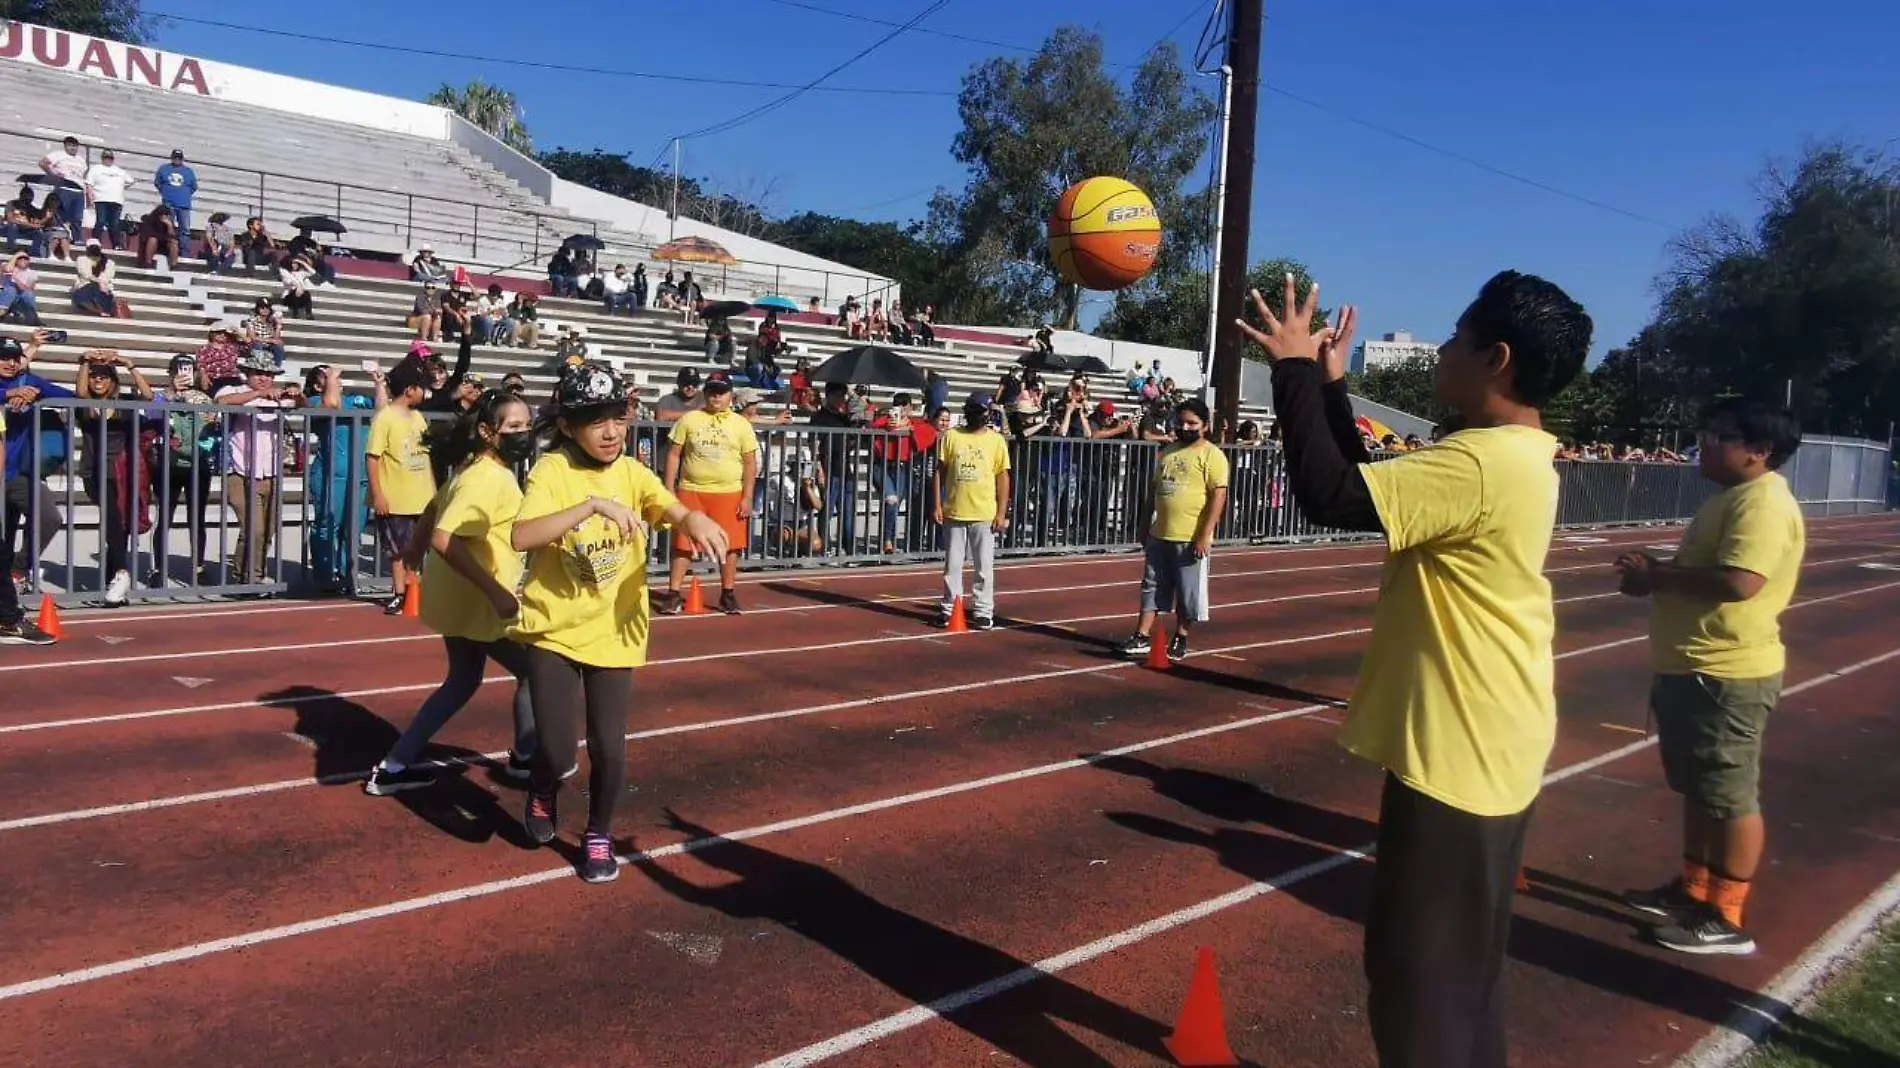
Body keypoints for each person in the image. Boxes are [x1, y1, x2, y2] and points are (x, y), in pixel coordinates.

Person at [1236, 269, 1590, 1068]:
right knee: (1465, 974)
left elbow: (1329, 495)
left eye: (1458, 338)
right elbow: (1376, 492)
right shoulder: (1511, 456)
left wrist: (1291, 369)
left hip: (1461, 749)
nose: (1444, 350)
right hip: (1492, 736)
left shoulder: (1480, 465)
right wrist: (1331, 384)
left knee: (1415, 980)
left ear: (1495, 357)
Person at [508, 363, 727, 883]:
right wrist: (590, 506)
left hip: (614, 628)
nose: (611, 433)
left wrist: (690, 517)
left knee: (609, 743)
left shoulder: (631, 471)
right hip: (554, 629)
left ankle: (598, 832)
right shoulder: (553, 472)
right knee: (560, 751)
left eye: (618, 420)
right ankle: (543, 785)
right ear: (566, 426)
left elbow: (666, 506)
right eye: (596, 422)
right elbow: (522, 536)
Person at [1614, 401, 1806, 956]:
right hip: (1695, 667)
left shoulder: (1762, 503)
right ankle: (1694, 891)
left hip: (1724, 673)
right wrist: (1658, 573)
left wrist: (1657, 576)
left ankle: (1725, 914)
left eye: (1718, 435)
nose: (1705, 443)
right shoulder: (1733, 498)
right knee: (1700, 788)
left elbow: (1741, 581)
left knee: (1728, 793)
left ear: (1759, 450)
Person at [364, 390, 543, 794]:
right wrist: (496, 591)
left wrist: (412, 548)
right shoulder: (486, 478)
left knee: (461, 682)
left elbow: (432, 509)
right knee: (534, 671)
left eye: (527, 426)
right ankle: (524, 760)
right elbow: (446, 538)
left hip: (457, 600)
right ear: (487, 431)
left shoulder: (471, 469)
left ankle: (393, 768)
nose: (524, 434)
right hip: (479, 603)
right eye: (514, 427)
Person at [1119, 398, 1229, 663]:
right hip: (1161, 534)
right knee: (1152, 586)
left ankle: (1181, 636)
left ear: (1204, 426)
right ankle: (1142, 634)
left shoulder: (1212, 455)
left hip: (1190, 536)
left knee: (1187, 590)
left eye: (1192, 423)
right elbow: (1153, 492)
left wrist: (1204, 534)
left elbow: (1218, 496)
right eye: (1181, 422)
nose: (1186, 427)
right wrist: (1144, 524)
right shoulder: (1167, 452)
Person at [662, 377, 757, 615]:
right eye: (712, 392)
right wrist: (669, 488)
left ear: (730, 396)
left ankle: (728, 592)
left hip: (728, 492)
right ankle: (673, 593)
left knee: (731, 546)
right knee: (684, 545)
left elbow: (750, 462)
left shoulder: (741, 424)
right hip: (691, 490)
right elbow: (674, 454)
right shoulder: (689, 419)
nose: (716, 397)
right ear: (705, 393)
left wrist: (747, 496)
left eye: (721, 392)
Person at [932, 393, 1010, 630]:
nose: (977, 415)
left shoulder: (996, 441)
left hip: (984, 511)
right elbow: (940, 472)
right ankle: (949, 608)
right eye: (974, 410)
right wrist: (937, 504)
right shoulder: (951, 437)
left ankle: (983, 610)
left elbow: (1003, 476)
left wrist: (1001, 512)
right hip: (955, 510)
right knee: (953, 565)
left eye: (981, 411)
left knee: (983, 566)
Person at [367, 361, 436, 615]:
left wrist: (433, 491)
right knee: (397, 550)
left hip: (420, 497)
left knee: (417, 548)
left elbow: (426, 456)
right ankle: (398, 592)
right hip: (395, 497)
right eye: (421, 388)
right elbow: (372, 457)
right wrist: (378, 495)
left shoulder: (418, 417)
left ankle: (413, 588)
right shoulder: (385, 418)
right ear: (409, 389)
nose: (425, 393)